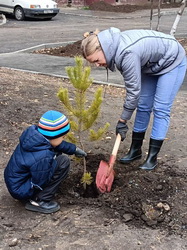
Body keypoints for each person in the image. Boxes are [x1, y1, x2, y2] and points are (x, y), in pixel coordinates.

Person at [81, 28, 187, 170]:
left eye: (96, 60)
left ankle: (152, 158)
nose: (97, 65)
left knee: (161, 108)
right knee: (143, 105)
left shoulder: (127, 53)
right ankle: (135, 150)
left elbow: (133, 92)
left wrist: (122, 120)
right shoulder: (115, 49)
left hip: (171, 60)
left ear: (103, 49)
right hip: (151, 64)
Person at [4, 110, 87, 214]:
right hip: (21, 189)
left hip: (16, 181)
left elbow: (56, 143)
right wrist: (53, 163)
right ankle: (38, 201)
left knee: (57, 156)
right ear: (53, 136)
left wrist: (73, 149)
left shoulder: (36, 138)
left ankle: (38, 196)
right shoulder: (43, 156)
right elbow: (40, 181)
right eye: (63, 137)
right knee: (63, 162)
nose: (64, 138)